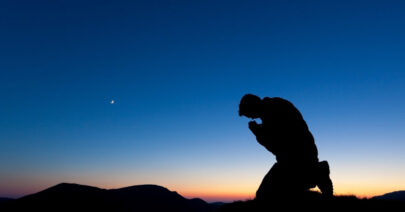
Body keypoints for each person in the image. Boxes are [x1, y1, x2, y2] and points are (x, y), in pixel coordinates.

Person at [239, 94, 333, 200]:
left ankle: (316, 172)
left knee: (265, 194)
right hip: (302, 155)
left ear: (253, 106)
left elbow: (276, 145)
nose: (251, 117)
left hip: (295, 159)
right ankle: (315, 172)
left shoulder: (271, 111)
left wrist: (258, 133)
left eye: (249, 113)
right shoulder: (274, 106)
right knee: (282, 192)